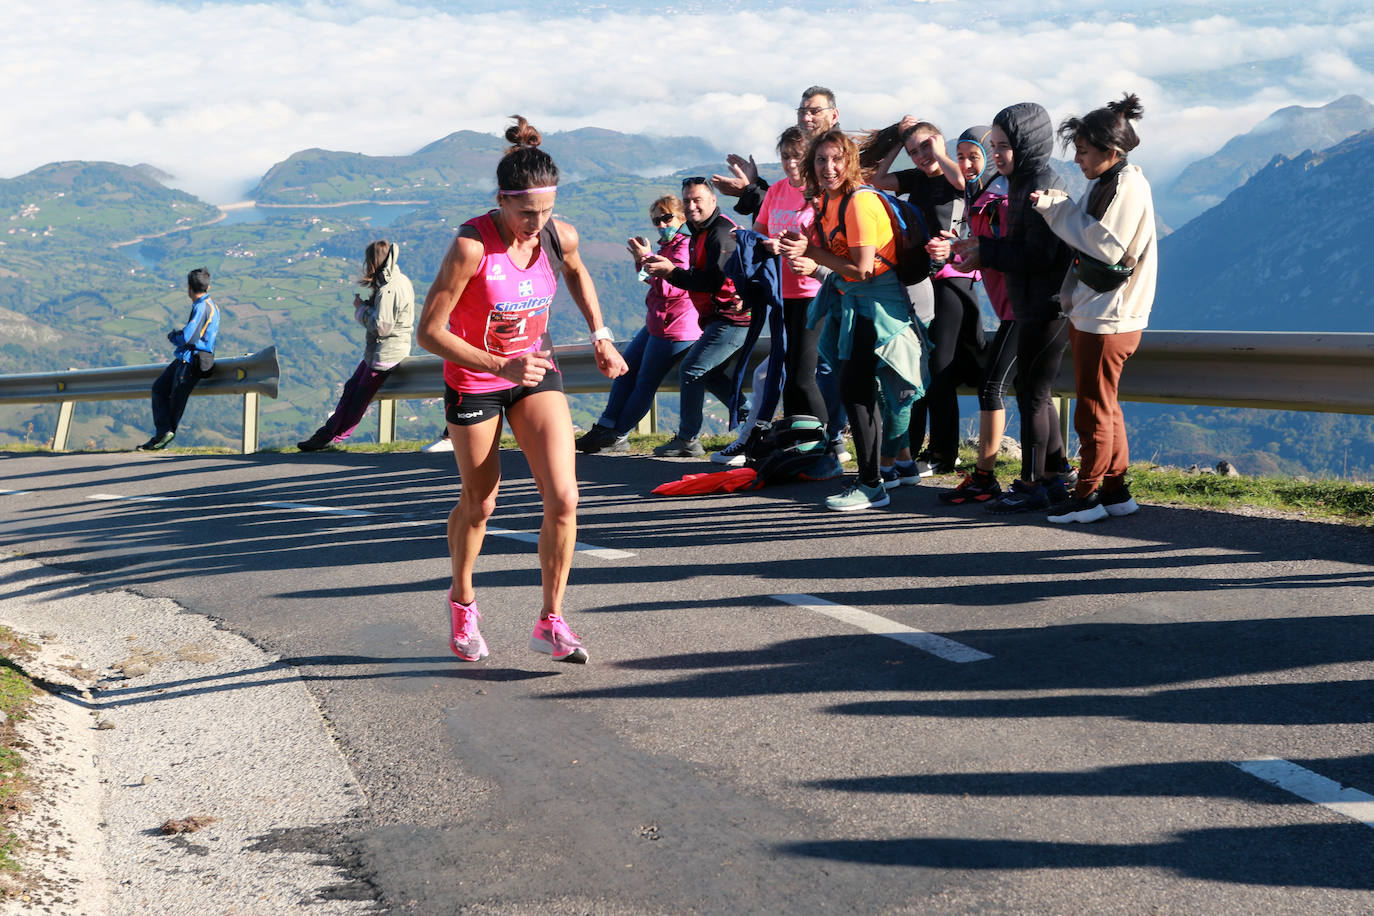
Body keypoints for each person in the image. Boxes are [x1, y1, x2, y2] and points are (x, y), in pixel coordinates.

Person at [415, 116, 628, 664]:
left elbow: (578, 273)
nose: (537, 223)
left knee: (564, 497)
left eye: (547, 210)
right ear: (501, 201)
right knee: (482, 502)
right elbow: (428, 333)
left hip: (535, 371)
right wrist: (496, 364)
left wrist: (600, 335)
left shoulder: (559, 234)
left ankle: (551, 621)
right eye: (526, 212)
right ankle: (463, 602)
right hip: (476, 378)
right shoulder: (470, 246)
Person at [778, 129, 926, 511]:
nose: (829, 168)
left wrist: (812, 251)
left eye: (836, 159)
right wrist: (809, 253)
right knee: (862, 392)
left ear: (850, 162)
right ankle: (880, 474)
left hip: (875, 304)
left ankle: (873, 482)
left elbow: (861, 269)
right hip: (854, 303)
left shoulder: (858, 203)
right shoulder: (830, 203)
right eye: (821, 160)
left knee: (860, 392)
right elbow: (838, 262)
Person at [1035, 93, 1156, 523]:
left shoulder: (1124, 187)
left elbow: (1106, 247)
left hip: (1107, 315)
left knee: (1092, 409)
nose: (1080, 161)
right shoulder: (1114, 181)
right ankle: (1116, 491)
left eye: (1084, 152)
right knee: (1106, 405)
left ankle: (1085, 498)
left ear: (1111, 151)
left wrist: (1056, 208)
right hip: (1105, 313)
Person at [951, 102, 1072, 514]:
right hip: (1032, 303)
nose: (998, 154)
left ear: (1028, 143)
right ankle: (1055, 476)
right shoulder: (1022, 180)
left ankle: (1033, 483)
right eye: (996, 146)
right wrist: (983, 248)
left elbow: (1038, 256)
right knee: (1033, 392)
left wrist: (986, 251)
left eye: (1006, 146)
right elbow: (1023, 250)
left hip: (1046, 305)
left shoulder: (1040, 182)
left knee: (1032, 396)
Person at [868, 119, 986, 483]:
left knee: (939, 367)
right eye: (914, 151)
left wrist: (939, 152)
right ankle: (911, 449)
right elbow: (872, 181)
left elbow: (964, 182)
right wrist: (893, 142)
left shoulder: (960, 176)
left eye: (925, 148)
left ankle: (942, 453)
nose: (920, 156)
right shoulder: (916, 179)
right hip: (920, 282)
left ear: (938, 142)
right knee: (915, 366)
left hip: (954, 282)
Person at [577, 196, 698, 453]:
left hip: (675, 328)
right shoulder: (669, 244)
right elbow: (650, 279)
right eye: (657, 220)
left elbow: (670, 288)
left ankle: (617, 435)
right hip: (657, 323)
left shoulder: (684, 246)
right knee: (625, 370)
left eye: (667, 218)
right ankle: (606, 426)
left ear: (681, 218)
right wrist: (641, 260)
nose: (662, 224)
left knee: (645, 382)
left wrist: (647, 257)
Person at [642, 178, 750, 457]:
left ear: (713, 201)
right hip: (719, 317)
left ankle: (688, 439)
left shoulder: (720, 233)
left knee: (690, 369)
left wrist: (671, 272)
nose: (691, 206)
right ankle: (752, 421)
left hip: (733, 318)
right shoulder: (700, 231)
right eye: (687, 200)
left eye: (697, 200)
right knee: (709, 373)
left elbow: (714, 281)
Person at [938, 126, 1018, 504]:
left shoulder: (1003, 195)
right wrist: (952, 250)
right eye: (961, 155)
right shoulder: (981, 194)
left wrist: (973, 250)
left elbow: (1006, 249)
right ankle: (1055, 471)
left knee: (992, 387)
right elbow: (980, 249)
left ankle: (985, 476)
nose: (966, 164)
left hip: (1024, 308)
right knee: (1035, 391)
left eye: (975, 156)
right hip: (1008, 307)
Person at [299, 240, 415, 451]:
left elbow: (382, 326)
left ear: (374, 260)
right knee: (352, 390)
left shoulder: (388, 289)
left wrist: (360, 309)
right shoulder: (398, 280)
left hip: (386, 353)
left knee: (357, 398)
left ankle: (329, 438)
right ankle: (327, 435)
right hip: (384, 351)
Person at [712, 86, 840, 218]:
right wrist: (754, 184)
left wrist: (749, 190)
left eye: (815, 112)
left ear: (834, 116)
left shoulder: (841, 158)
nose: (806, 118)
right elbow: (786, 206)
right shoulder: (807, 150)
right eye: (802, 112)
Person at [137, 268, 219, 451]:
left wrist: (174, 337)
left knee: (174, 399)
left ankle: (163, 436)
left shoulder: (202, 307)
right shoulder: (209, 305)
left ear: (189, 287)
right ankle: (162, 434)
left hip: (190, 361)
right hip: (185, 359)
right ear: (208, 286)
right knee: (160, 389)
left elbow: (189, 337)